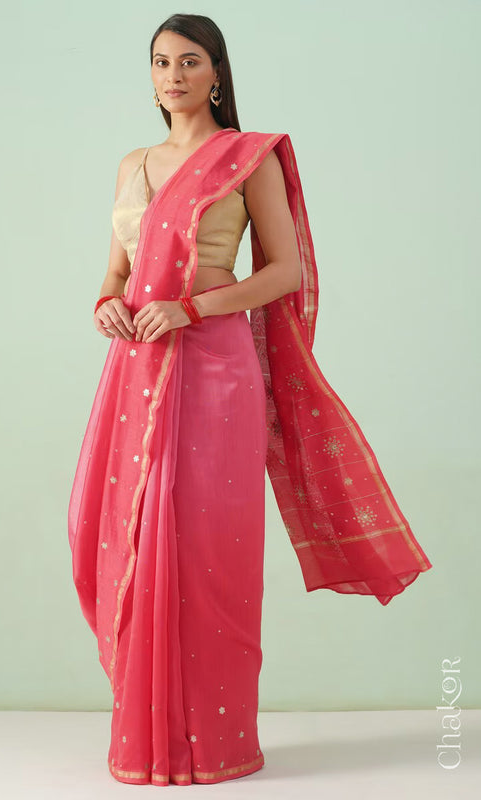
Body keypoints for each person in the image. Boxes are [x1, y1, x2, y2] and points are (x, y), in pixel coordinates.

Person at [67, 13, 433, 787]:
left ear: (217, 74)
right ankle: (145, 740)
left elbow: (287, 271)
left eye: (189, 61)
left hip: (212, 367)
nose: (172, 75)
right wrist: (104, 303)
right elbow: (115, 271)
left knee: (204, 549)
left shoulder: (246, 158)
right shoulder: (132, 164)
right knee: (110, 530)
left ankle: (217, 745)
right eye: (160, 62)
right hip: (136, 368)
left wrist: (193, 308)